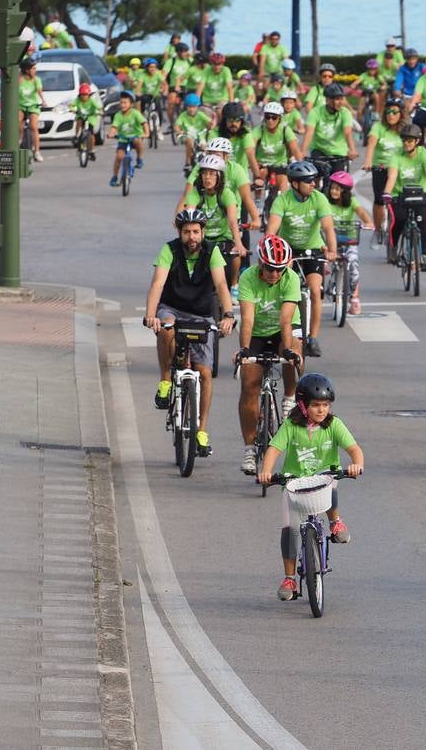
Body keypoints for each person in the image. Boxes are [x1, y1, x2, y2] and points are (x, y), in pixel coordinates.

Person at [258, 373, 365, 601]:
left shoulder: (333, 425)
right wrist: (266, 472)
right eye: (316, 405)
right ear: (302, 405)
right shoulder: (291, 426)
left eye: (325, 405)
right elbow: (274, 449)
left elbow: (354, 449)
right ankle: (289, 578)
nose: (322, 410)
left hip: (324, 478)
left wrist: (357, 465)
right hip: (294, 483)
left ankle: (335, 522)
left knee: (331, 485)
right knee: (290, 529)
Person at [143, 209, 236, 456]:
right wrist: (151, 315)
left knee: (205, 373)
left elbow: (221, 285)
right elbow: (157, 284)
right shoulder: (169, 250)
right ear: (179, 233)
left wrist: (228, 314)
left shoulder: (212, 251)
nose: (191, 237)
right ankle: (165, 380)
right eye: (186, 232)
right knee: (166, 329)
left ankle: (202, 431)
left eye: (196, 232)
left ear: (203, 232)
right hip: (171, 308)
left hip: (202, 314)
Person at [235, 235, 304, 476]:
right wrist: (244, 350)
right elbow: (248, 319)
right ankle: (249, 449)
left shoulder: (291, 278)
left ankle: (289, 397)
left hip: (281, 329)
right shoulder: (247, 277)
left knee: (294, 349)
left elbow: (286, 320)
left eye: (279, 269)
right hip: (256, 331)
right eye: (269, 269)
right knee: (249, 385)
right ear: (260, 264)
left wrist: (287, 352)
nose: (274, 274)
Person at [265, 160, 338, 357]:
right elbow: (272, 230)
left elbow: (328, 228)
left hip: (313, 250)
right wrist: (269, 249)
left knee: (315, 291)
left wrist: (332, 250)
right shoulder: (283, 200)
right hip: (289, 251)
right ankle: (282, 330)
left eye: (314, 180)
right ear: (295, 184)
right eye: (308, 181)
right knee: (284, 288)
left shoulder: (319, 199)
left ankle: (312, 338)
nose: (313, 184)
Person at [384, 124, 426, 271]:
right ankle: (393, 247)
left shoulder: (424, 154)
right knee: (399, 220)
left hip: (419, 195)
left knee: (422, 222)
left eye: (410, 141)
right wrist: (387, 193)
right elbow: (392, 177)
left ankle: (423, 254)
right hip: (400, 195)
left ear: (417, 141)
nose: (406, 143)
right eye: (404, 140)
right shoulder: (396, 155)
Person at [177, 155, 244, 266]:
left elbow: (233, 221)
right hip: (202, 238)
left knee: (235, 258)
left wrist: (238, 243)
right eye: (204, 173)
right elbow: (189, 218)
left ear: (219, 176)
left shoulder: (226, 194)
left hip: (223, 236)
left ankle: (233, 283)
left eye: (212, 173)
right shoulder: (195, 193)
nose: (207, 177)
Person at [325, 170, 373, 314]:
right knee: (322, 258)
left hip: (349, 241)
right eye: (332, 188)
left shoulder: (352, 202)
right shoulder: (325, 202)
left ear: (345, 192)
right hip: (330, 240)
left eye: (337, 189)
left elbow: (362, 213)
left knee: (353, 265)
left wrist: (368, 222)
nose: (334, 191)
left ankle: (354, 298)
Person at [362, 102, 406, 239]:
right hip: (381, 167)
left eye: (394, 112)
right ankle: (378, 230)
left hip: (399, 169)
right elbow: (371, 143)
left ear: (401, 115)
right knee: (379, 200)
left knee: (401, 200)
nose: (391, 115)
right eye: (388, 112)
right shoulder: (378, 127)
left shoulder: (405, 129)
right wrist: (368, 160)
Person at [301, 84, 357, 177]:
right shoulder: (315, 112)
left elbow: (347, 132)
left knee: (339, 183)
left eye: (341, 99)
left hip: (338, 152)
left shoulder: (345, 113)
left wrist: (352, 149)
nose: (341, 102)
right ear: (328, 100)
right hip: (319, 150)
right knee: (314, 177)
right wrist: (302, 152)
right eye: (337, 99)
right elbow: (309, 133)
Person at [249, 101, 300, 200]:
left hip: (280, 164)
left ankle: (283, 206)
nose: (270, 120)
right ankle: (258, 202)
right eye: (267, 117)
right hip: (262, 164)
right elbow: (250, 148)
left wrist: (301, 163)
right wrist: (252, 163)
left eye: (274, 117)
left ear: (280, 118)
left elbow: (295, 149)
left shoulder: (285, 130)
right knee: (261, 174)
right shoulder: (259, 130)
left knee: (283, 184)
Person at [107, 91, 148, 186]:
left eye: (125, 103)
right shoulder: (118, 115)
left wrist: (146, 133)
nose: (123, 105)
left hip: (135, 137)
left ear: (131, 104)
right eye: (121, 102)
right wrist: (111, 134)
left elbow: (144, 123)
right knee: (119, 157)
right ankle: (115, 176)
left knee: (137, 141)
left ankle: (139, 158)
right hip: (123, 139)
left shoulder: (136, 114)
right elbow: (114, 127)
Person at [16, 59, 45, 162]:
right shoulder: (20, 79)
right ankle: (19, 140)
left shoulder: (36, 80)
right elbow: (15, 89)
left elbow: (39, 91)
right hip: (21, 106)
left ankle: (37, 151)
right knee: (19, 123)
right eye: (33, 68)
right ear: (27, 70)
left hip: (33, 105)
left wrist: (43, 100)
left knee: (33, 126)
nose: (35, 70)